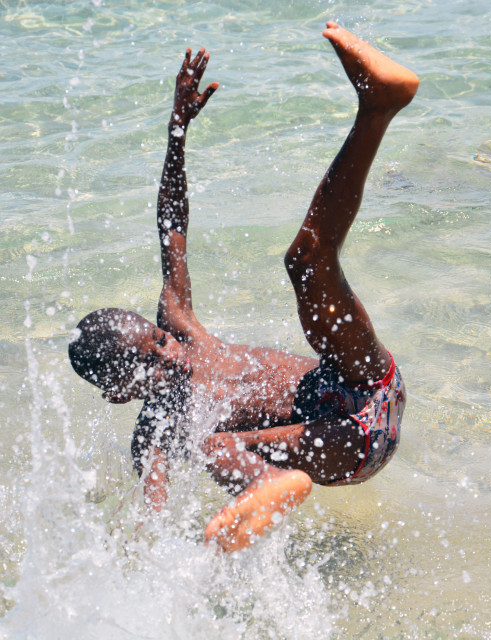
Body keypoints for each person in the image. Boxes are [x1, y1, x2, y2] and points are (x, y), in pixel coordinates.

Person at [69, 22, 418, 553]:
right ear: (121, 394)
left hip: (370, 382)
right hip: (349, 443)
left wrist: (176, 133)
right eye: (152, 366)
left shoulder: (180, 325)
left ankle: (379, 105)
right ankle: (269, 486)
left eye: (159, 342)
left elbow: (171, 225)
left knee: (305, 261)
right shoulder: (157, 435)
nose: (172, 357)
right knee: (211, 444)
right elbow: (152, 530)